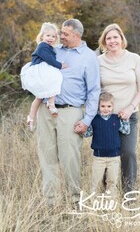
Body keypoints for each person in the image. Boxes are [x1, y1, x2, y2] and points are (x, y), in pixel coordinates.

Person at [35, 19, 100, 207]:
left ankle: (74, 200)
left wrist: (87, 120)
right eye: (60, 33)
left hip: (71, 112)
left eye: (65, 34)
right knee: (47, 156)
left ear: (77, 36)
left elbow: (94, 91)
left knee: (70, 157)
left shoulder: (89, 57)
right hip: (46, 110)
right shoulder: (54, 49)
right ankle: (51, 202)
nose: (60, 36)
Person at [97, 23, 140, 194]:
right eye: (108, 38)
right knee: (106, 154)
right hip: (105, 117)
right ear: (104, 41)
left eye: (115, 37)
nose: (112, 41)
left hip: (129, 116)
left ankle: (129, 193)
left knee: (128, 153)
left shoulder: (134, 58)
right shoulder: (98, 62)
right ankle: (107, 193)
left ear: (121, 39)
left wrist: (129, 108)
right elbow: (94, 89)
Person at [21, 22, 67, 130]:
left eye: (53, 36)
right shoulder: (42, 46)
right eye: (48, 36)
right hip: (40, 69)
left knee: (39, 98)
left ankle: (30, 119)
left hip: (42, 70)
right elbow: (49, 60)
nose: (51, 38)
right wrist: (60, 65)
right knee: (56, 77)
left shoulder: (49, 47)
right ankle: (51, 103)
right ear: (42, 36)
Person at [83, 92, 130, 198]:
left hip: (114, 157)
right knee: (96, 181)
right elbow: (87, 134)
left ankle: (110, 201)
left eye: (109, 106)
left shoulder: (116, 119)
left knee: (112, 181)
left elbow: (126, 131)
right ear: (98, 106)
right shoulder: (95, 119)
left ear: (113, 106)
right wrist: (85, 120)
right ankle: (93, 201)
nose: (106, 109)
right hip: (98, 157)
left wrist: (125, 119)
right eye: (103, 106)